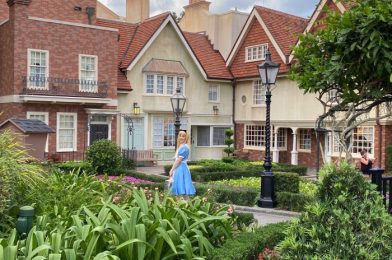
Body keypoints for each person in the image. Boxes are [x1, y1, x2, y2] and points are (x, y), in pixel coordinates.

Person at [169, 130, 196, 198]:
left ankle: (183, 204)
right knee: (182, 187)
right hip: (181, 168)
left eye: (183, 136)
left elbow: (178, 160)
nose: (181, 137)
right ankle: (182, 204)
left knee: (181, 187)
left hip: (181, 168)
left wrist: (172, 169)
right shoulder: (182, 147)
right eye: (180, 135)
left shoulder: (184, 147)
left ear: (185, 138)